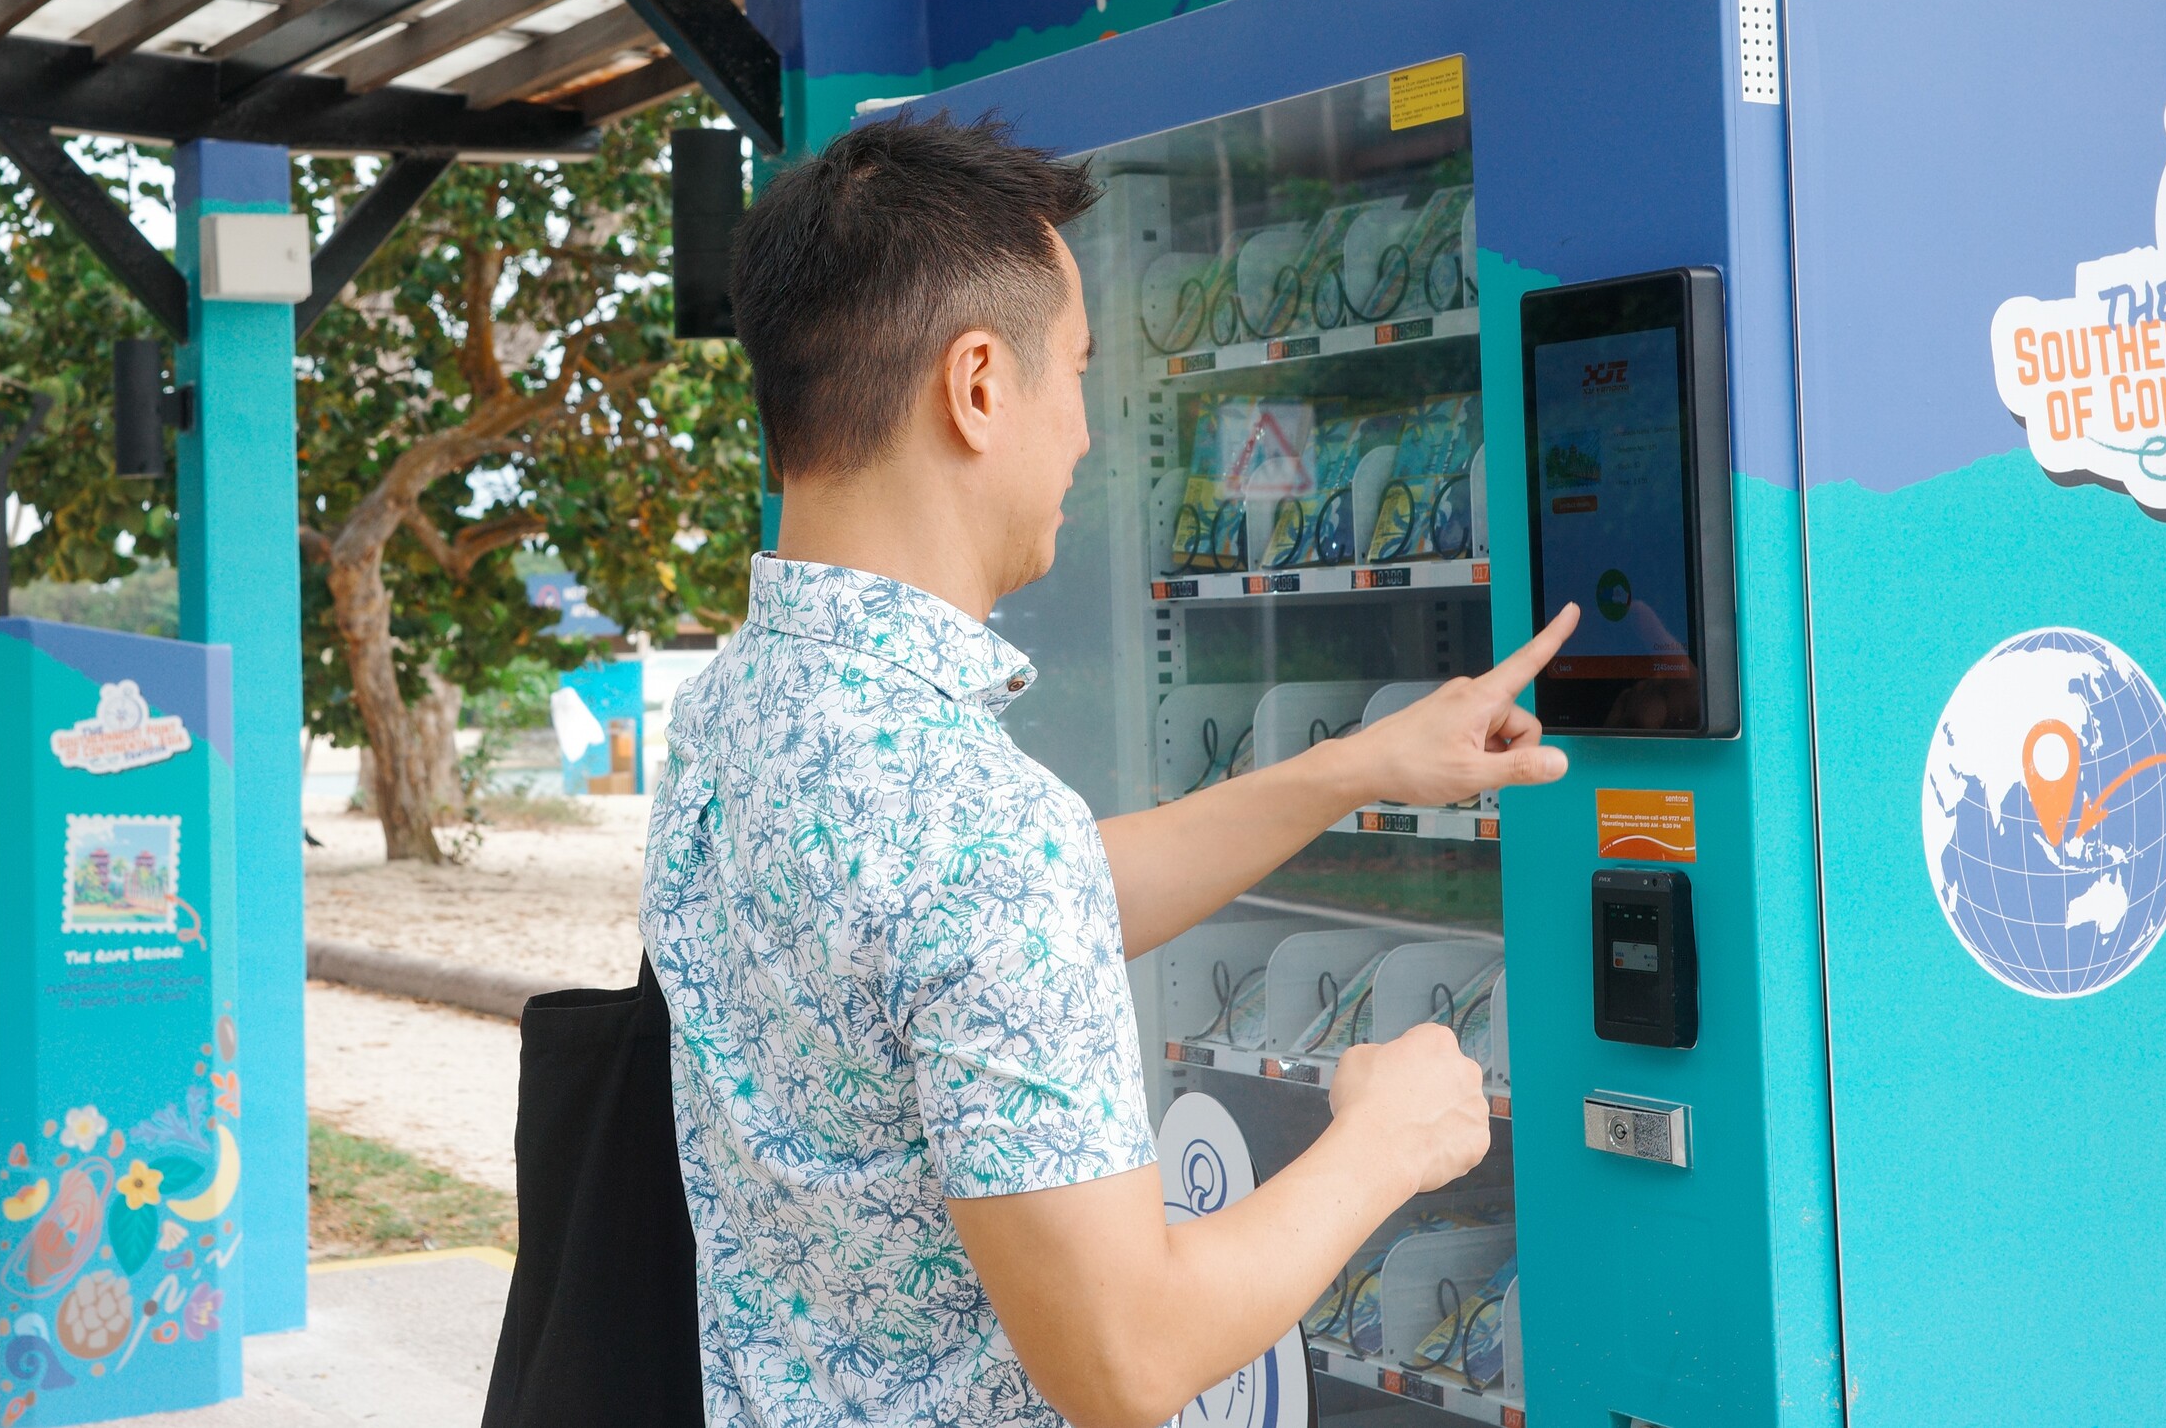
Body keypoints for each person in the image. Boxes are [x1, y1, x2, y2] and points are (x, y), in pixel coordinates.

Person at [642, 114, 1580, 1428]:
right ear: (978, 386)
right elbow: (1128, 1357)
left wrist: (1354, 764)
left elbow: (990, 927)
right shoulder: (972, 828)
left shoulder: (733, 716)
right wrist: (1388, 1138)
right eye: (1078, 369)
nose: (1086, 431)